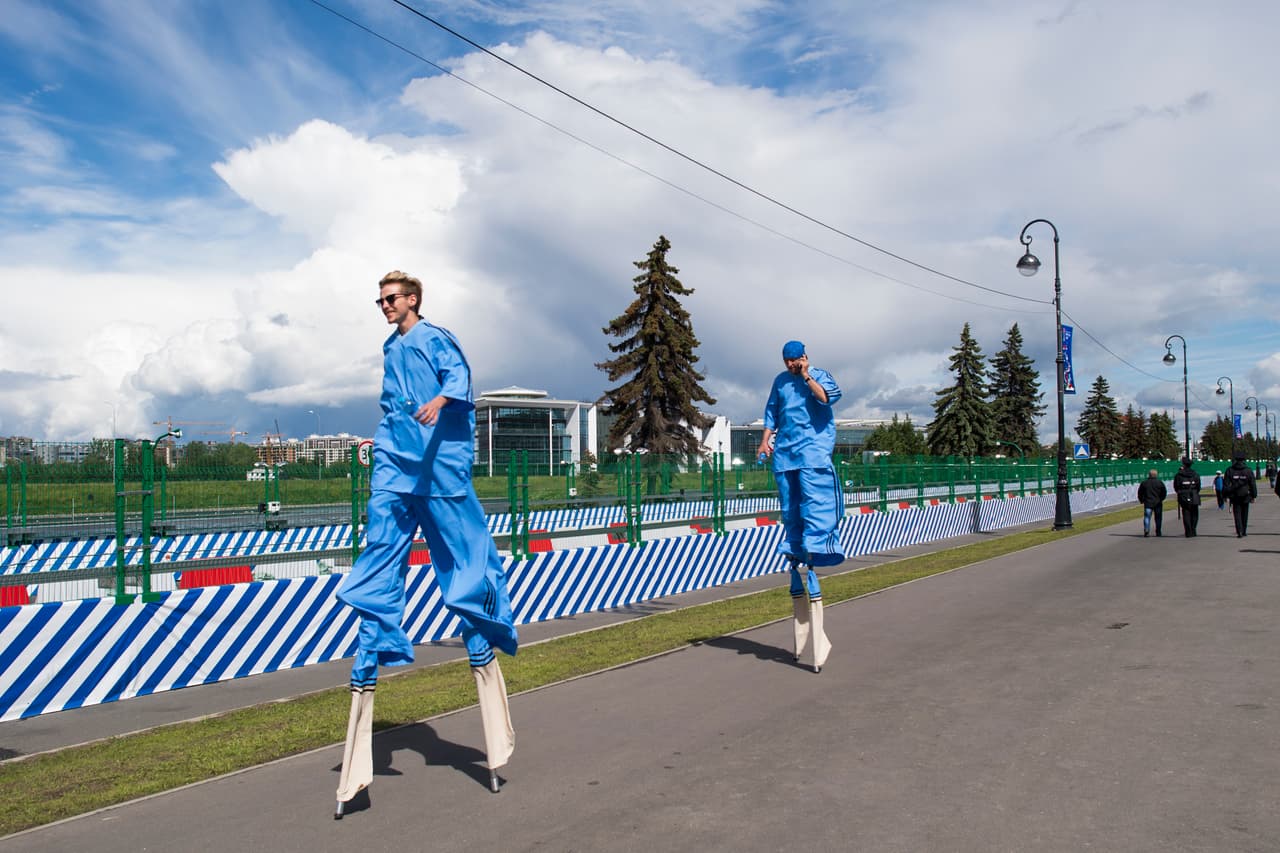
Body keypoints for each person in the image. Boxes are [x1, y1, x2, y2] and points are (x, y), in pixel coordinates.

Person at [333, 270, 519, 816]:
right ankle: (369, 658)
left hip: (438, 466)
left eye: (389, 299)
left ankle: (482, 643)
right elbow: (392, 399)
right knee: (378, 557)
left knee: (464, 565)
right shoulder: (390, 348)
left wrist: (440, 401)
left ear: (412, 299)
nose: (383, 306)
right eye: (379, 300)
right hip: (395, 461)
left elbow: (459, 377)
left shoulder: (434, 336)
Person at [757, 340, 843, 673]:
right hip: (786, 456)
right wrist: (765, 439)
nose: (792, 365)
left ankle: (818, 551)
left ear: (805, 358)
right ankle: (796, 558)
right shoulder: (779, 382)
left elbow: (828, 398)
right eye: (789, 361)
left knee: (815, 506)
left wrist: (807, 376)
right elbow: (772, 413)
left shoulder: (818, 375)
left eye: (797, 361)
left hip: (813, 455)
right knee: (791, 512)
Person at [1223, 450, 1258, 538]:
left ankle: (1239, 531)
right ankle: (1244, 530)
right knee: (1245, 513)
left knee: (1237, 513)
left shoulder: (1230, 470)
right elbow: (1252, 484)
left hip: (1235, 495)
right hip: (1246, 494)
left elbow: (1226, 485)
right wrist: (1254, 495)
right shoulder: (1248, 470)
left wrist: (1225, 495)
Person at [1172, 457, 1202, 537]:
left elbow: (1176, 486)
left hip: (1183, 495)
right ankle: (1193, 529)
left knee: (1186, 513)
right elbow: (1198, 486)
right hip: (1194, 494)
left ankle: (1188, 531)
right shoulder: (1195, 474)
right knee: (1195, 513)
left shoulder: (1179, 475)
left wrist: (1181, 492)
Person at [1136, 469, 1167, 537]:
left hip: (1148, 502)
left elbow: (1140, 493)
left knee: (1147, 517)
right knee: (1158, 518)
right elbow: (1164, 492)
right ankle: (1158, 531)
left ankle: (1146, 529)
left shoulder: (1144, 483)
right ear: (1156, 475)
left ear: (1149, 475)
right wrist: (1161, 499)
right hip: (1158, 502)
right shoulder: (1160, 483)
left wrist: (1141, 500)